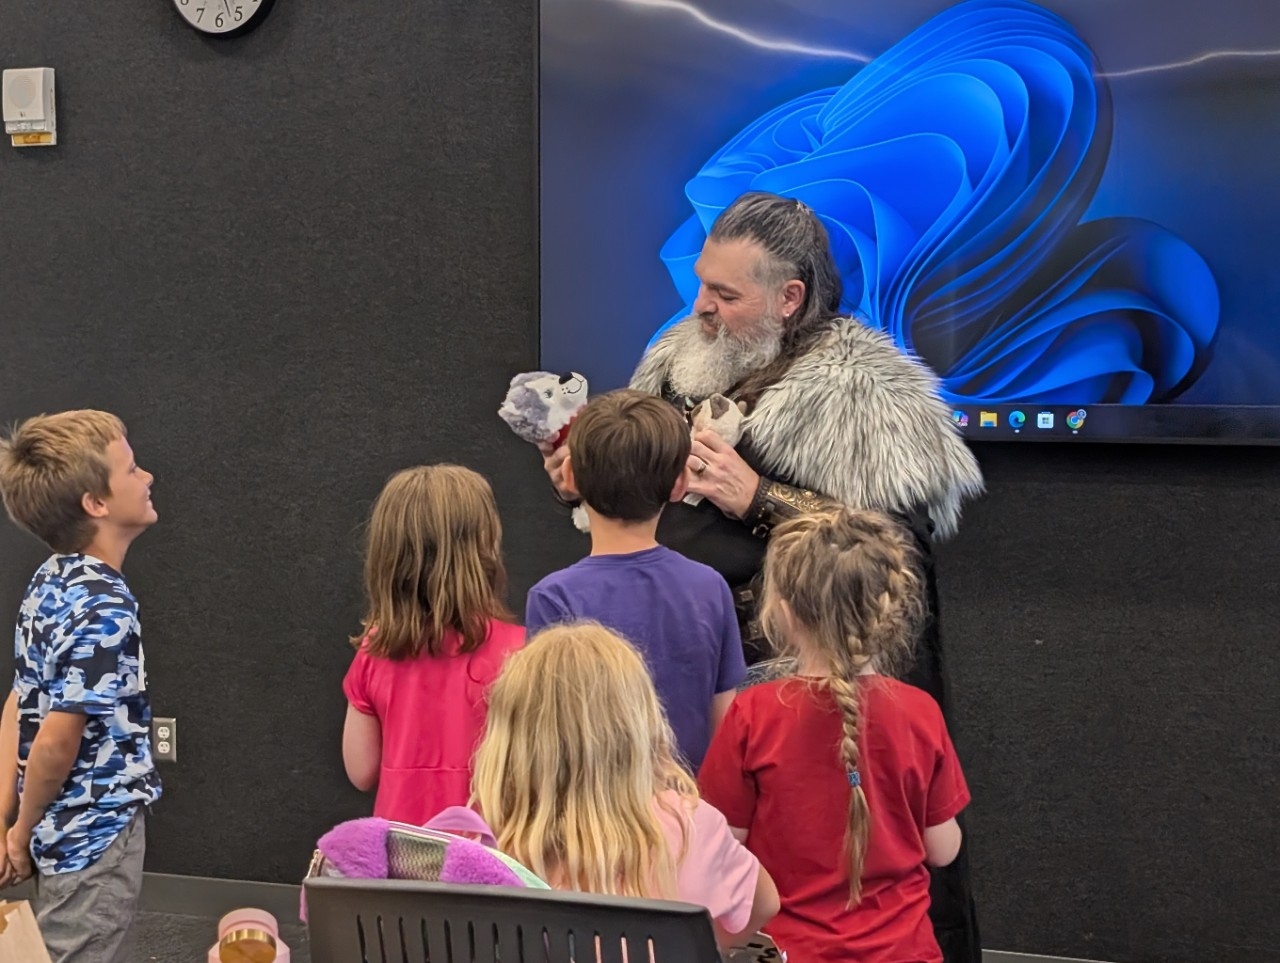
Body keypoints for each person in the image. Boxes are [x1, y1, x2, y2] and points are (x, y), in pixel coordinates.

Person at [540, 192, 984, 962]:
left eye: (725, 293)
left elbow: (889, 556)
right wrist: (587, 482)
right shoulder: (678, 363)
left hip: (798, 711)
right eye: (702, 285)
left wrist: (760, 498)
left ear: (790, 297)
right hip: (672, 689)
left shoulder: (868, 399)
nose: (701, 307)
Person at [699, 508, 969, 963]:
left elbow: (726, 841)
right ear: (890, 612)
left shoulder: (753, 714)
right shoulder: (921, 712)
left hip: (790, 951)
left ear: (783, 612)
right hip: (906, 953)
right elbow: (942, 849)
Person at [471, 622, 779, 946]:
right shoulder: (691, 826)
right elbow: (765, 903)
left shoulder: (488, 846)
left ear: (510, 739)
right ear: (639, 721)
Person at [0, 410, 163, 963]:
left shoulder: (50, 577)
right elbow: (56, 739)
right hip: (92, 840)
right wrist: (18, 831)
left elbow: (19, 701)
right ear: (96, 504)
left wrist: (10, 817)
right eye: (133, 469)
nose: (148, 479)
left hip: (52, 828)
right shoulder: (106, 606)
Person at [525, 390, 746, 771]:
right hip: (692, 815)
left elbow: (549, 737)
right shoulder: (709, 587)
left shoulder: (552, 598)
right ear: (679, 484)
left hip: (593, 819)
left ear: (570, 476)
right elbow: (726, 726)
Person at [341, 465, 524, 825]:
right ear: (485, 548)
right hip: (494, 855)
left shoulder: (374, 651)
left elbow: (360, 770)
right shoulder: (520, 651)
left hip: (403, 858)